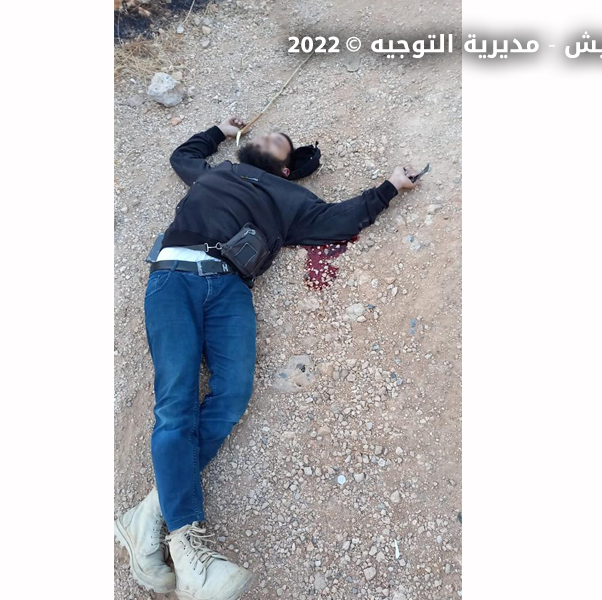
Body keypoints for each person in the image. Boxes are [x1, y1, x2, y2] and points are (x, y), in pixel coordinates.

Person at [115, 117, 421, 600]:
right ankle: (190, 550)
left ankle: (150, 512)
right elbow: (182, 157)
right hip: (173, 276)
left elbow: (341, 219)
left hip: (231, 289)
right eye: (266, 137)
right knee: (176, 403)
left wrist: (389, 187)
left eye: (282, 142)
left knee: (232, 397)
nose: (272, 138)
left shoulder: (293, 199)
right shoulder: (217, 172)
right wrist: (218, 130)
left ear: (287, 169)